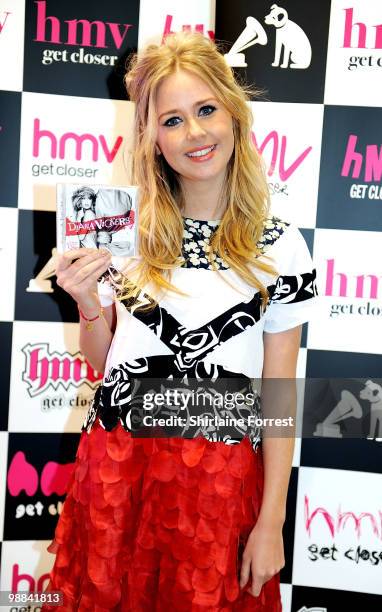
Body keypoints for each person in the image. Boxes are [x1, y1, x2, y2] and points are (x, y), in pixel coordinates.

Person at [43, 32, 318, 611]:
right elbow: (103, 361)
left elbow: (279, 397)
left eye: (206, 110)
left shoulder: (280, 247)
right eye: (172, 120)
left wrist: (272, 521)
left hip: (218, 482)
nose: (194, 133)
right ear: (153, 139)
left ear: (233, 117)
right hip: (120, 467)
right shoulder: (122, 231)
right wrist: (86, 301)